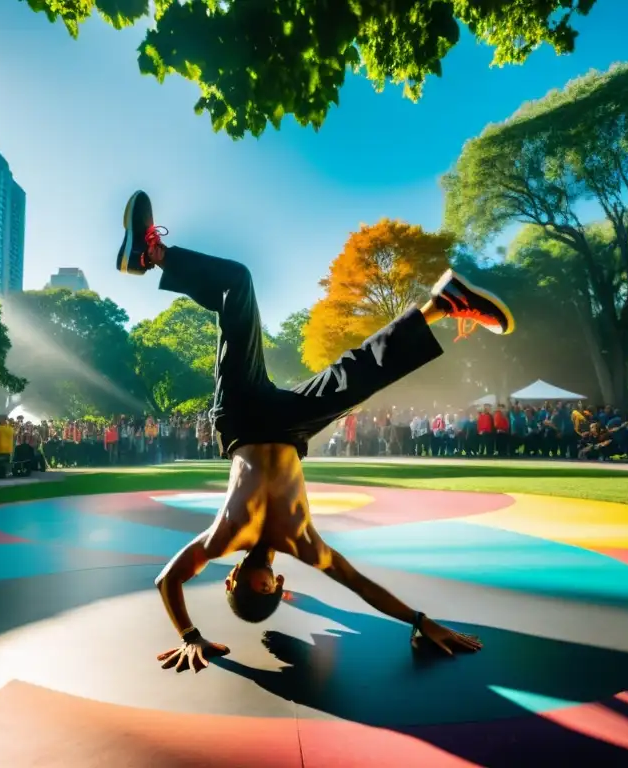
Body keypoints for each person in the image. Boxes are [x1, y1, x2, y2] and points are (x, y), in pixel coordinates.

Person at [115, 191, 514, 673]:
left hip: (240, 420)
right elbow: (360, 585)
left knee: (237, 286)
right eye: (270, 587)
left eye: (251, 584)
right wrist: (418, 619)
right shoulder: (302, 543)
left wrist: (190, 635)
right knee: (358, 375)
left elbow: (167, 580)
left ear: (231, 580)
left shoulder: (222, 539)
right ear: (281, 585)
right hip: (288, 427)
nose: (264, 580)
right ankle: (442, 304)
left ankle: (150, 255)